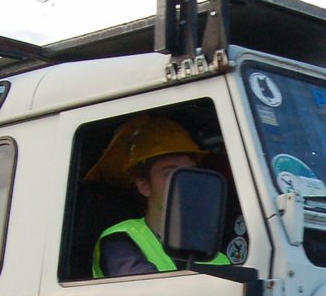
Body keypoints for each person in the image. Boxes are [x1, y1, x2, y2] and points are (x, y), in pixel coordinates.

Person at [86, 115, 228, 278]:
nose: (184, 182)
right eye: (170, 173)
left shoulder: (218, 257)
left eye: (190, 172)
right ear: (144, 185)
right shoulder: (120, 240)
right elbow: (148, 295)